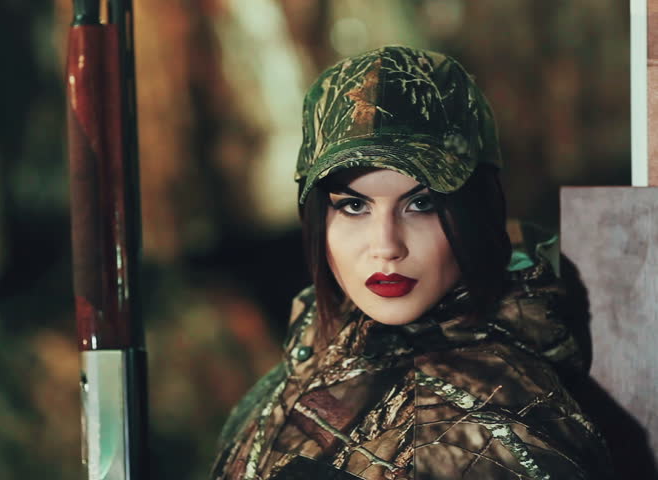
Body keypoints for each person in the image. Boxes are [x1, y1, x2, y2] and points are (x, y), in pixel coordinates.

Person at [209, 46, 613, 479]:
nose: (385, 246)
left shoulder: (490, 430)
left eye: (421, 204)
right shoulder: (306, 363)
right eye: (353, 206)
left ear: (477, 212)